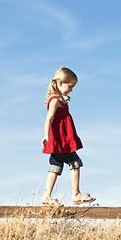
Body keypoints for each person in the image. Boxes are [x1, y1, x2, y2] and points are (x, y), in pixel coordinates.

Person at [41, 67, 95, 206]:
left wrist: (64, 98)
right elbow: (49, 119)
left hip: (62, 140)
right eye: (70, 86)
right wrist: (46, 137)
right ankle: (75, 194)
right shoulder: (54, 101)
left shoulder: (59, 99)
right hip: (60, 140)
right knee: (75, 162)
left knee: (56, 165)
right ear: (59, 83)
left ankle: (46, 196)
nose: (71, 90)